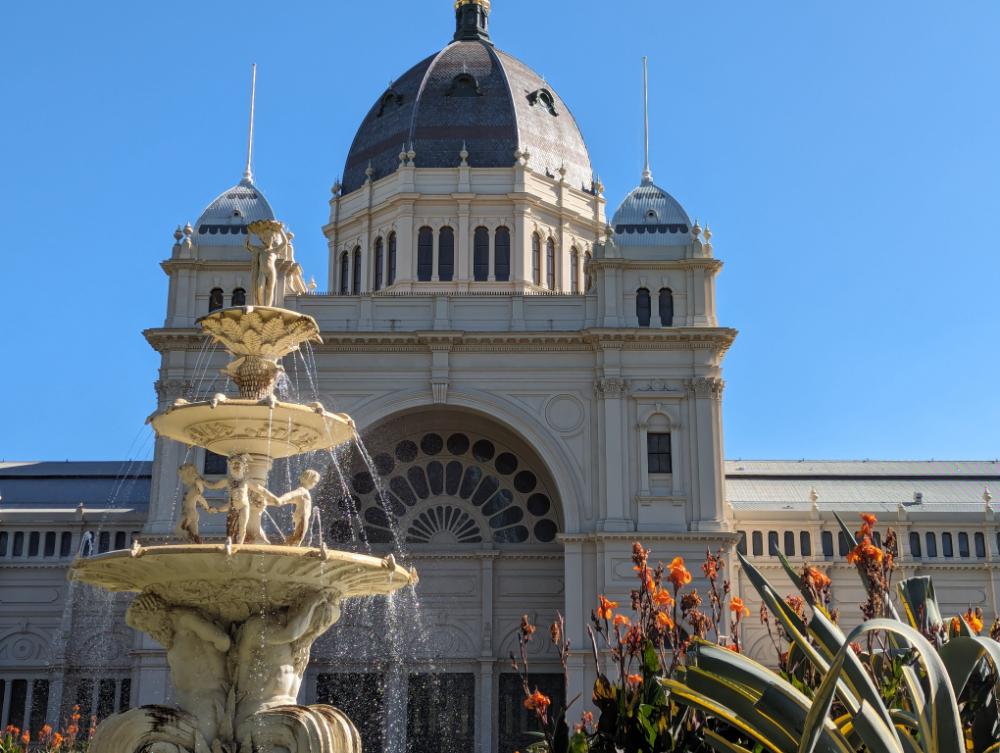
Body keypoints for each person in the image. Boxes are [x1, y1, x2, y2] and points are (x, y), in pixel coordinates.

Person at [126, 593, 232, 748]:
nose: (146, 629)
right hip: (182, 701)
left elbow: (223, 641)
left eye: (145, 622)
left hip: (207, 701)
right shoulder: (169, 631)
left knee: (200, 746)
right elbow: (129, 621)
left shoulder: (186, 620)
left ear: (154, 611)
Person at [252, 469, 321, 546]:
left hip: (301, 518)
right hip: (302, 518)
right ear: (307, 478)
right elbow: (290, 495)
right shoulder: (302, 490)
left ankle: (287, 546)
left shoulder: (304, 492)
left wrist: (268, 502)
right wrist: (280, 499)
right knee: (298, 539)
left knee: (297, 538)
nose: (314, 484)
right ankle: (289, 552)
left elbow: (287, 501)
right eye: (314, 481)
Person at [177, 463, 227, 543]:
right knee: (193, 537)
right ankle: (196, 546)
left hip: (189, 513)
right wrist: (207, 508)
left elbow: (200, 496)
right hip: (191, 513)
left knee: (183, 531)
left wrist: (208, 508)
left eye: (183, 474)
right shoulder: (193, 487)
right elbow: (200, 498)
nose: (182, 477)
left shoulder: (196, 484)